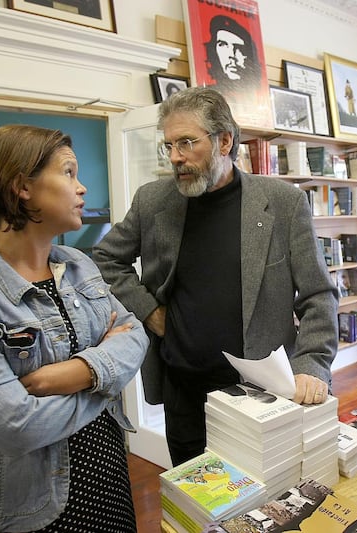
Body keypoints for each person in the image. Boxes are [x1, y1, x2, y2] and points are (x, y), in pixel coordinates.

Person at [0, 124, 149, 532]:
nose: (82, 188)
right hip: (26, 510)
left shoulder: (79, 265)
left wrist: (79, 373)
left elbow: (134, 334)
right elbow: (18, 427)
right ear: (22, 187)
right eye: (68, 172)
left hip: (108, 478)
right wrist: (107, 380)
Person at [93, 87, 339, 466]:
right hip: (184, 390)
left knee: (263, 503)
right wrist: (149, 311)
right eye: (169, 145)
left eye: (187, 143)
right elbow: (106, 259)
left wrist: (313, 363)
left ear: (225, 141)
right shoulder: (153, 201)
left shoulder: (283, 202)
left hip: (261, 391)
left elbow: (318, 294)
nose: (176, 157)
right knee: (197, 502)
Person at [204, 15, 262, 96]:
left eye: (238, 47)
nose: (231, 56)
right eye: (223, 45)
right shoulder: (205, 95)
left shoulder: (257, 97)